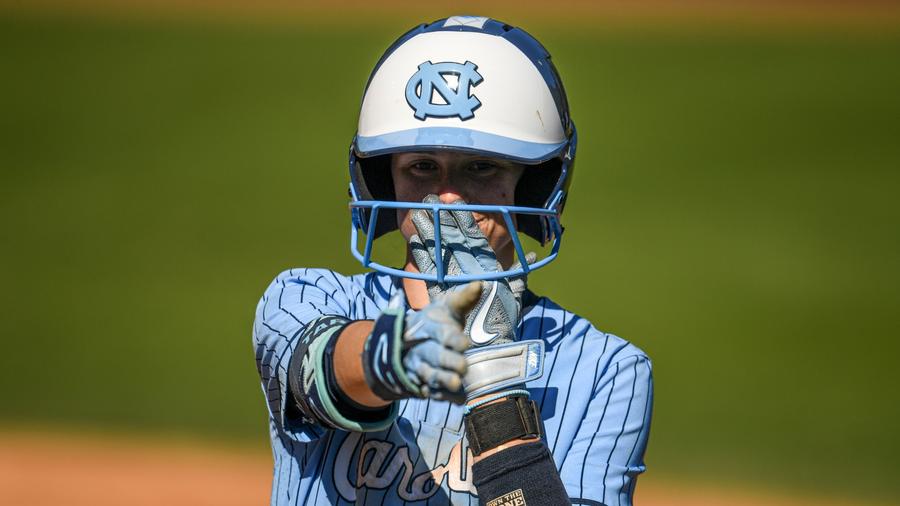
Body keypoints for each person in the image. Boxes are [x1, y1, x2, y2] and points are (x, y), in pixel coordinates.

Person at [253, 16, 652, 506]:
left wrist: (492, 380)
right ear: (384, 182)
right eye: (421, 167)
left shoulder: (605, 371)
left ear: (536, 184)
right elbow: (320, 371)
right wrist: (395, 354)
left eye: (480, 167)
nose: (446, 198)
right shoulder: (302, 296)